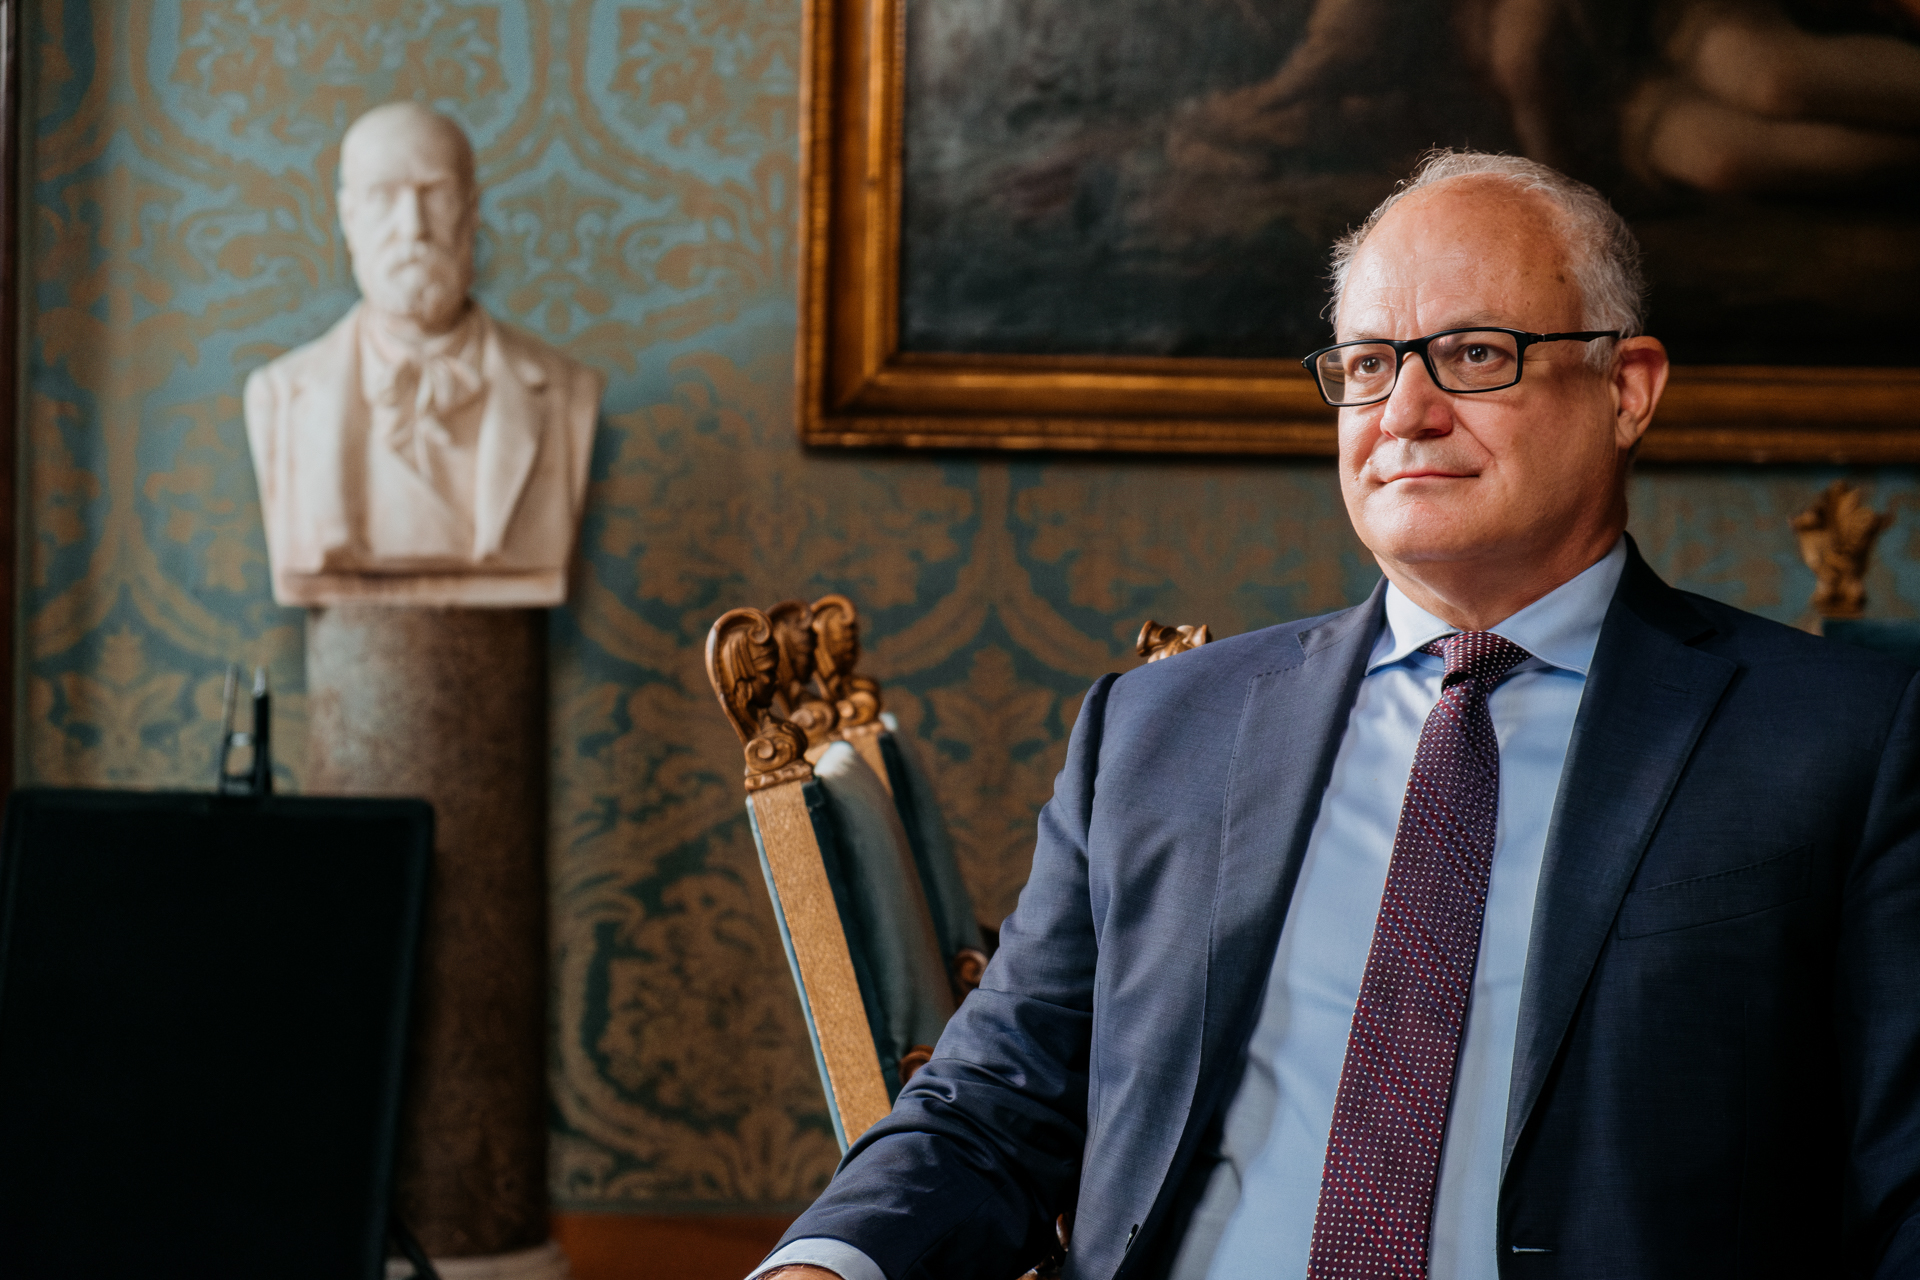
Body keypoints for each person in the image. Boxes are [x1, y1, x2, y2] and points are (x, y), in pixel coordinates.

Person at [749, 151, 1920, 1279]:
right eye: (1366, 363)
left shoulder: (1845, 739)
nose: (1404, 409)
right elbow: (993, 1103)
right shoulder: (1156, 731)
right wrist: (823, 1262)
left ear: (1627, 389)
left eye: (1473, 353)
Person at [244, 102, 602, 607]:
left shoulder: (567, 394)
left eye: (435, 195)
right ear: (348, 218)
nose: (412, 226)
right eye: (382, 196)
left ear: (472, 212)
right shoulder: (279, 398)